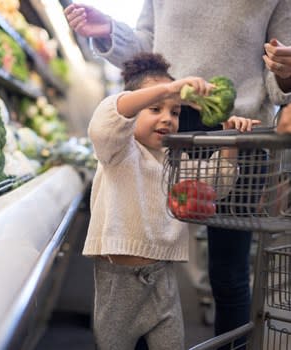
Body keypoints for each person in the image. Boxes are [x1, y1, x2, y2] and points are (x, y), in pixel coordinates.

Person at [64, 2, 291, 345]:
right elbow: (146, 55)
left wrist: (286, 72)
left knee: (229, 273)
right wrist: (112, 31)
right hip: (175, 127)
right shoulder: (126, 140)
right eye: (154, 108)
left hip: (239, 126)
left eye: (163, 108)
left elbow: (279, 74)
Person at [83, 51, 259, 350]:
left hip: (163, 280)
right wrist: (169, 89)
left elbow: (217, 184)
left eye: (175, 112)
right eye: (155, 108)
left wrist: (230, 139)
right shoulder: (117, 152)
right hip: (119, 284)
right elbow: (105, 120)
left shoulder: (173, 160)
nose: (167, 118)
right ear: (134, 106)